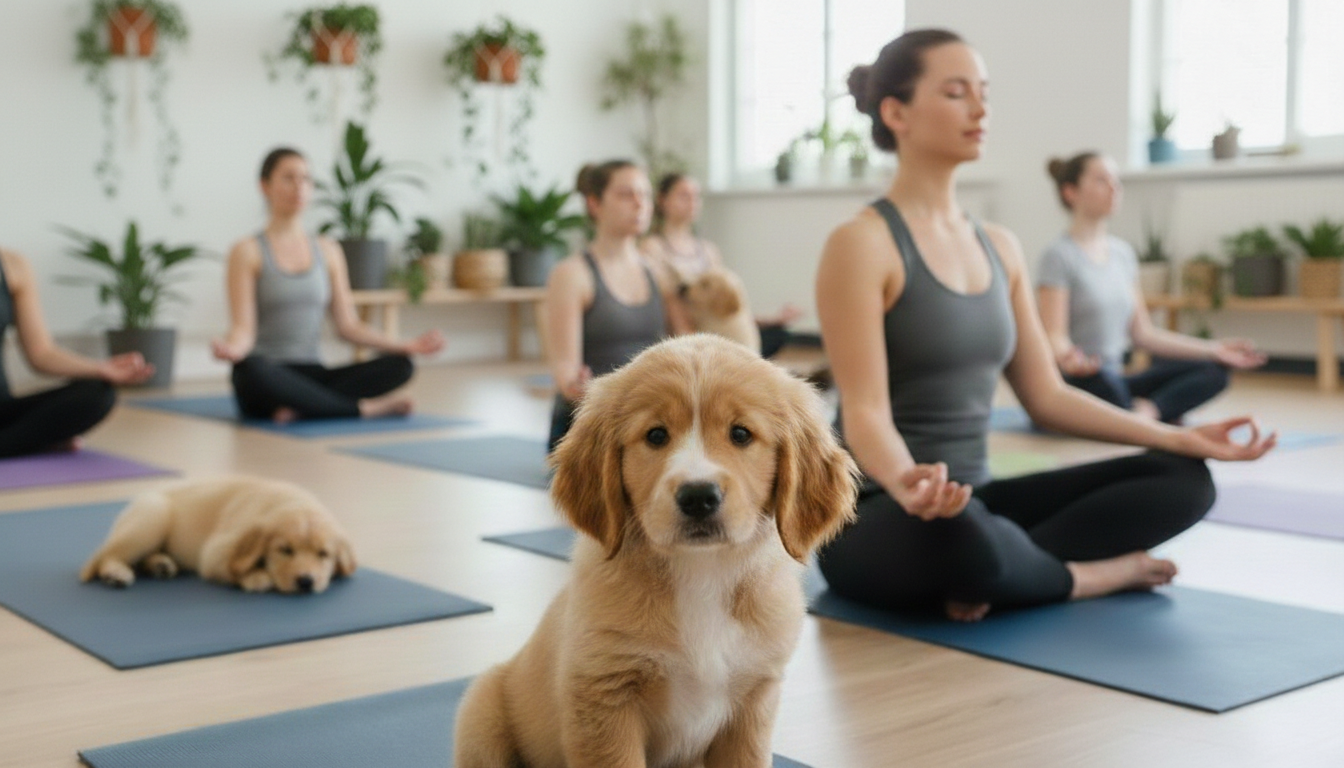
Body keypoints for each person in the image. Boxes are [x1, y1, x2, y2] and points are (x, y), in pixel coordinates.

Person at [814, 29, 1275, 622]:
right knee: (964, 539)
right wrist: (909, 484)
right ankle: (1090, 576)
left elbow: (1048, 395)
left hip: (976, 502)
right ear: (896, 112)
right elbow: (865, 412)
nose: (981, 109)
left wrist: (1179, 437)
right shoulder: (861, 244)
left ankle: (1008, 573)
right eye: (957, 93)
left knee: (1186, 481)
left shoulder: (999, 247)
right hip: (881, 506)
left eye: (984, 92)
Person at [212, 148, 444, 423]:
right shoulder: (247, 251)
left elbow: (349, 326)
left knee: (400, 366)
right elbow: (243, 329)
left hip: (316, 373)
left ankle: (306, 406)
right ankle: (364, 409)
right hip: (269, 374)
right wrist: (233, 349)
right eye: (288, 178)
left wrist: (404, 345)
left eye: (306, 179)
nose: (299, 187)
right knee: (249, 368)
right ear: (265, 186)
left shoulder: (328, 250)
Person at [1038, 152, 1265, 423]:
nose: (1114, 188)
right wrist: (1070, 358)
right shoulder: (1058, 256)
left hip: (1117, 379)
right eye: (1101, 180)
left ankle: (1146, 412)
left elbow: (1143, 334)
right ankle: (1133, 415)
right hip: (1081, 382)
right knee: (1105, 382)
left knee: (1214, 370)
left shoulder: (1122, 254)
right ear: (1070, 192)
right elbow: (1053, 334)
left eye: (1116, 181)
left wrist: (1215, 349)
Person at [543, 160, 689, 451]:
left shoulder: (657, 270)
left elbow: (688, 343)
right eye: (626, 194)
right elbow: (565, 370)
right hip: (589, 426)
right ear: (594, 204)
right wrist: (575, 385)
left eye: (645, 195)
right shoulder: (572, 274)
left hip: (652, 423)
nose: (639, 203)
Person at [0, 247, 152, 457]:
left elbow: (41, 353)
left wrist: (101, 369)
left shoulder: (14, 265)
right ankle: (25, 443)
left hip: (3, 410)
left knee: (97, 394)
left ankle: (17, 442)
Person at [641, 172, 804, 358]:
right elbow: (670, 308)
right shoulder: (652, 248)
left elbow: (727, 308)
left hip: (720, 332)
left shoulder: (708, 250)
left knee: (779, 334)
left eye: (696, 196)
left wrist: (771, 319)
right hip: (689, 338)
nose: (692, 202)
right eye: (684, 195)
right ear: (663, 200)